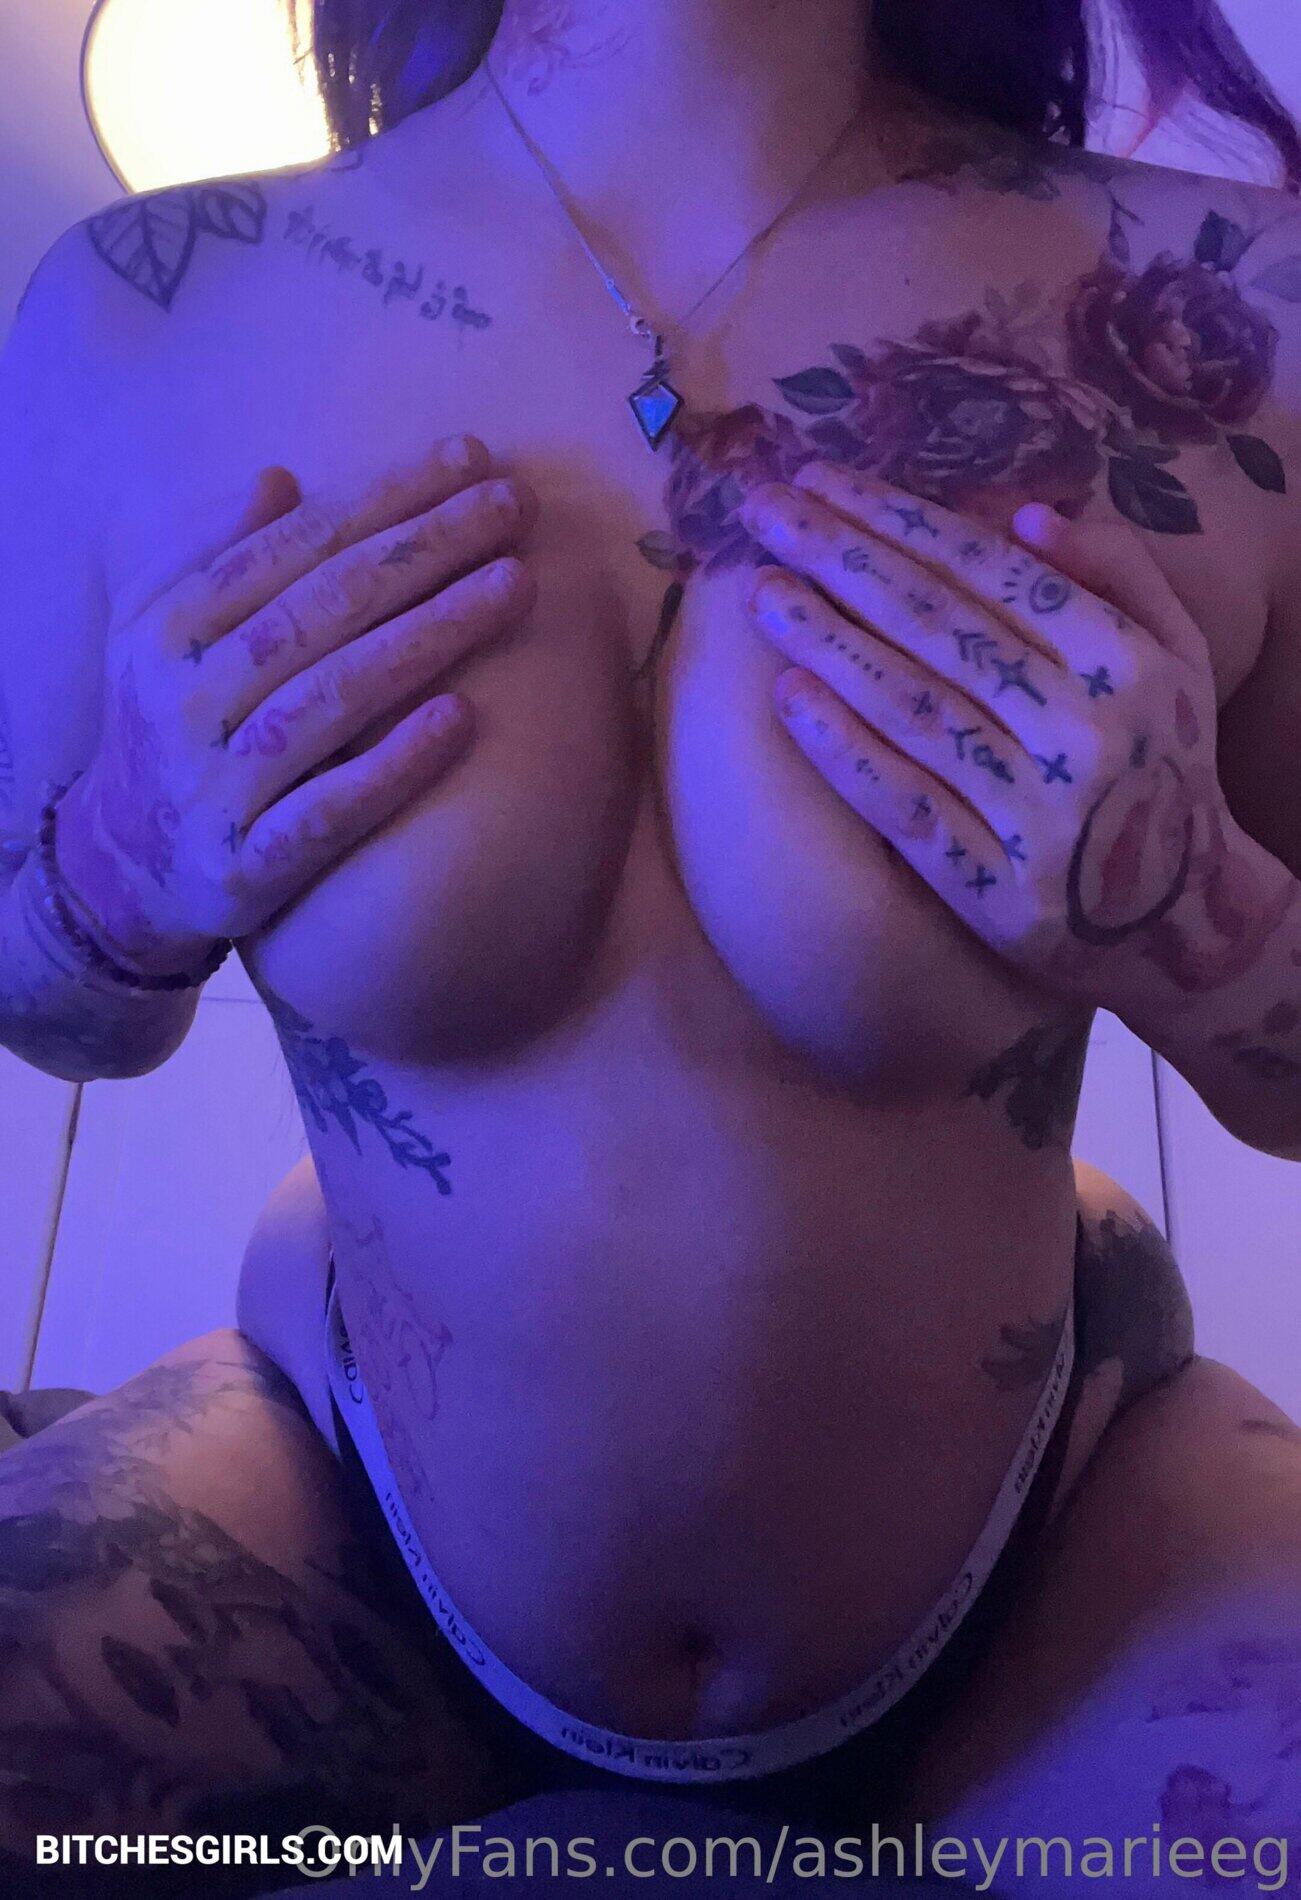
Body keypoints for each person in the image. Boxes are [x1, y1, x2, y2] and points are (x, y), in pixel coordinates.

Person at [0, 0, 1299, 1883]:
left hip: (1067, 1538)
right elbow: (46, 1009)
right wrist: (114, 873)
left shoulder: (1243, 305)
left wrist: (1203, 923)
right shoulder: (135, 318)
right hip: (348, 1503)